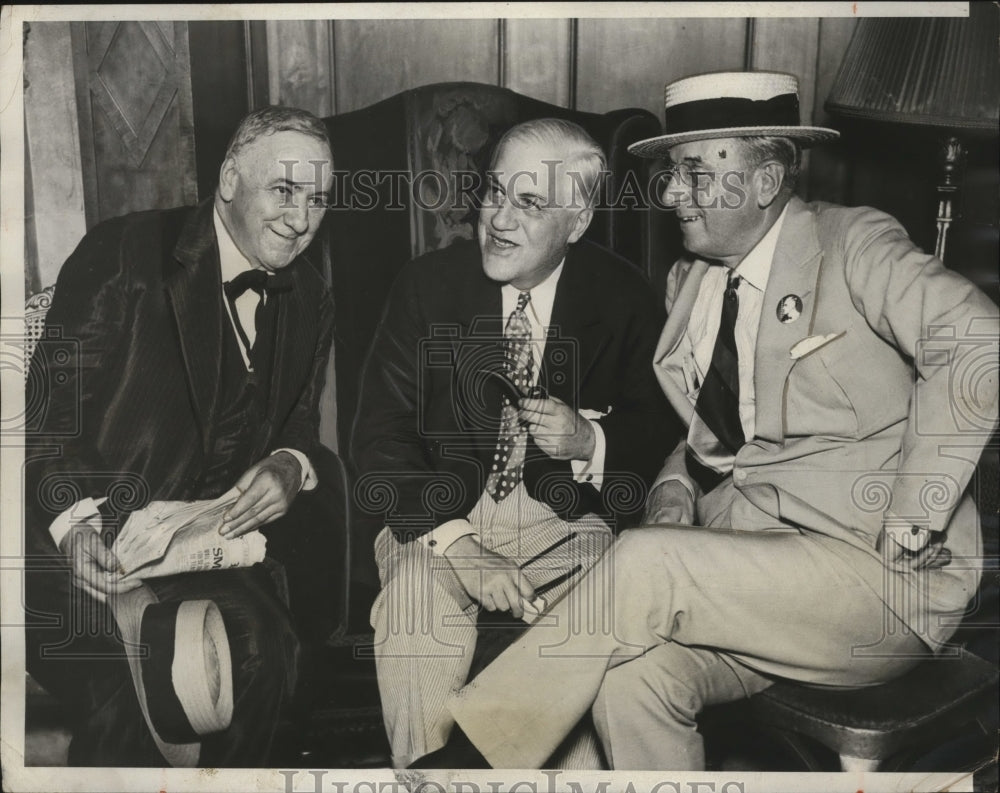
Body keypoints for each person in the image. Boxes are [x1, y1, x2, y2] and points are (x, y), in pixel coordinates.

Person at [447, 72, 1000, 770]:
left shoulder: (853, 245)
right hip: (760, 583)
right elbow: (722, 429)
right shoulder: (691, 284)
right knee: (630, 677)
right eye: (670, 174)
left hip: (878, 581)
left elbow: (976, 339)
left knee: (649, 559)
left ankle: (462, 766)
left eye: (695, 173)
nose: (673, 193)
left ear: (767, 180)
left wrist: (921, 505)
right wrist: (675, 484)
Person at [352, 118, 677, 768]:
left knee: (596, 626)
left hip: (566, 528)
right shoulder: (427, 286)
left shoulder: (624, 299)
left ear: (578, 220)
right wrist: (460, 545)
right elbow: (378, 438)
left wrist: (593, 437)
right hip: (437, 520)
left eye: (528, 203)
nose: (498, 218)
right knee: (414, 603)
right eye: (495, 191)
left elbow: (666, 433)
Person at [24, 106, 336, 766]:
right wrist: (76, 526)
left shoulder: (310, 293)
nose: (301, 218)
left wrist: (289, 462)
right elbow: (51, 423)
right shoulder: (123, 256)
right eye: (283, 190)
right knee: (129, 687)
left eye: (318, 199)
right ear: (229, 180)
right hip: (72, 547)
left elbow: (301, 422)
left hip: (197, 551)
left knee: (268, 654)